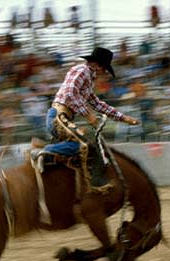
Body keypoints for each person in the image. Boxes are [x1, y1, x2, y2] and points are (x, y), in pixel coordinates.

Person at [43, 47, 140, 192]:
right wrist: (88, 115)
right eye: (104, 68)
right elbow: (70, 92)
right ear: (97, 65)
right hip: (58, 117)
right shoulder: (82, 71)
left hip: (61, 117)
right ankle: (45, 152)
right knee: (86, 145)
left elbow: (97, 104)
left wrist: (123, 118)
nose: (104, 72)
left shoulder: (88, 80)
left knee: (86, 147)